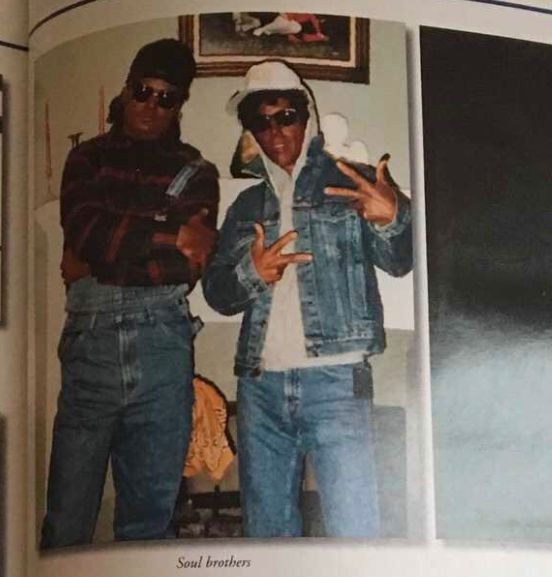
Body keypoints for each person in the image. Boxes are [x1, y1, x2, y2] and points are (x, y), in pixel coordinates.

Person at [202, 60, 412, 538]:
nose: (275, 131)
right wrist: (251, 274)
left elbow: (401, 260)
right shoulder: (247, 205)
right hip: (260, 388)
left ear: (307, 116)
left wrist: (391, 216)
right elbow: (216, 293)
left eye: (286, 116)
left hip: (336, 382)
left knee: (356, 533)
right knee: (267, 538)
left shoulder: (350, 179)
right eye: (261, 120)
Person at [40, 38, 219, 548]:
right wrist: (165, 230)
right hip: (89, 348)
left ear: (179, 106)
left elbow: (188, 265)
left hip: (162, 346)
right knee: (66, 525)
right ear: (127, 89)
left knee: (149, 527)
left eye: (167, 98)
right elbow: (84, 229)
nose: (151, 106)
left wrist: (100, 256)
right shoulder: (87, 159)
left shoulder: (198, 170)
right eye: (144, 91)